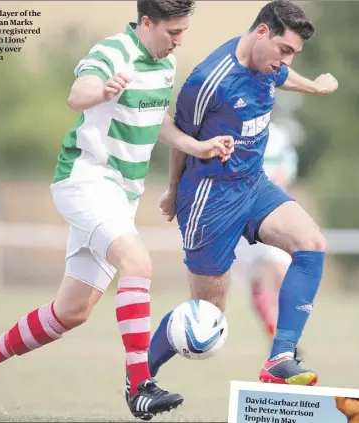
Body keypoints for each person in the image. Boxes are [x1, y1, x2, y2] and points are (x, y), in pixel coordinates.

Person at [0, 0, 234, 420]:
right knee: (137, 263)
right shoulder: (112, 52)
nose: (178, 42)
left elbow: (154, 117)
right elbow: (77, 93)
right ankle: (139, 385)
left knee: (72, 311)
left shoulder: (164, 65)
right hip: (85, 179)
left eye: (183, 33)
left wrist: (196, 147)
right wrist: (101, 90)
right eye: (172, 33)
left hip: (121, 194)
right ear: (146, 22)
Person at [144, 0, 338, 391]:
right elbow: (180, 137)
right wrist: (172, 189)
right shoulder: (207, 82)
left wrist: (313, 86)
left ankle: (280, 356)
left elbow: (279, 76)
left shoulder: (270, 65)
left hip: (253, 184)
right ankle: (140, 375)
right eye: (284, 50)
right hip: (208, 200)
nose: (285, 61)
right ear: (262, 32)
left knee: (311, 242)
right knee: (206, 319)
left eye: (293, 56)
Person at [233, 122, 299, 340]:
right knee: (258, 278)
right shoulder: (233, 129)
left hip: (272, 210)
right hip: (243, 214)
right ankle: (275, 334)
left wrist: (274, 190)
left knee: (283, 271)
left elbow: (289, 164)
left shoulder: (278, 134)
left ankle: (287, 337)